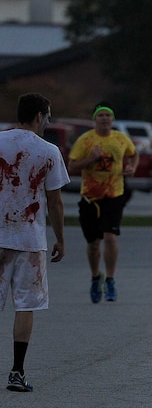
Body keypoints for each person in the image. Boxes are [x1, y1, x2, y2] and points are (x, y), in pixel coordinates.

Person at [1, 93, 70, 391]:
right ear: (40, 116)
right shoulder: (50, 151)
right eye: (48, 117)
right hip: (29, 240)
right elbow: (55, 201)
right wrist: (60, 239)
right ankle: (17, 372)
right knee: (25, 305)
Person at [68, 102, 139, 303]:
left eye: (108, 115)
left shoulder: (120, 138)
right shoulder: (86, 140)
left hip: (114, 195)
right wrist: (90, 159)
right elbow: (72, 167)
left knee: (110, 237)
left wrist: (131, 168)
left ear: (112, 119)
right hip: (90, 197)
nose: (105, 118)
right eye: (101, 115)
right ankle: (94, 277)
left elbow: (134, 155)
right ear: (95, 119)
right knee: (93, 244)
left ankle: (110, 279)